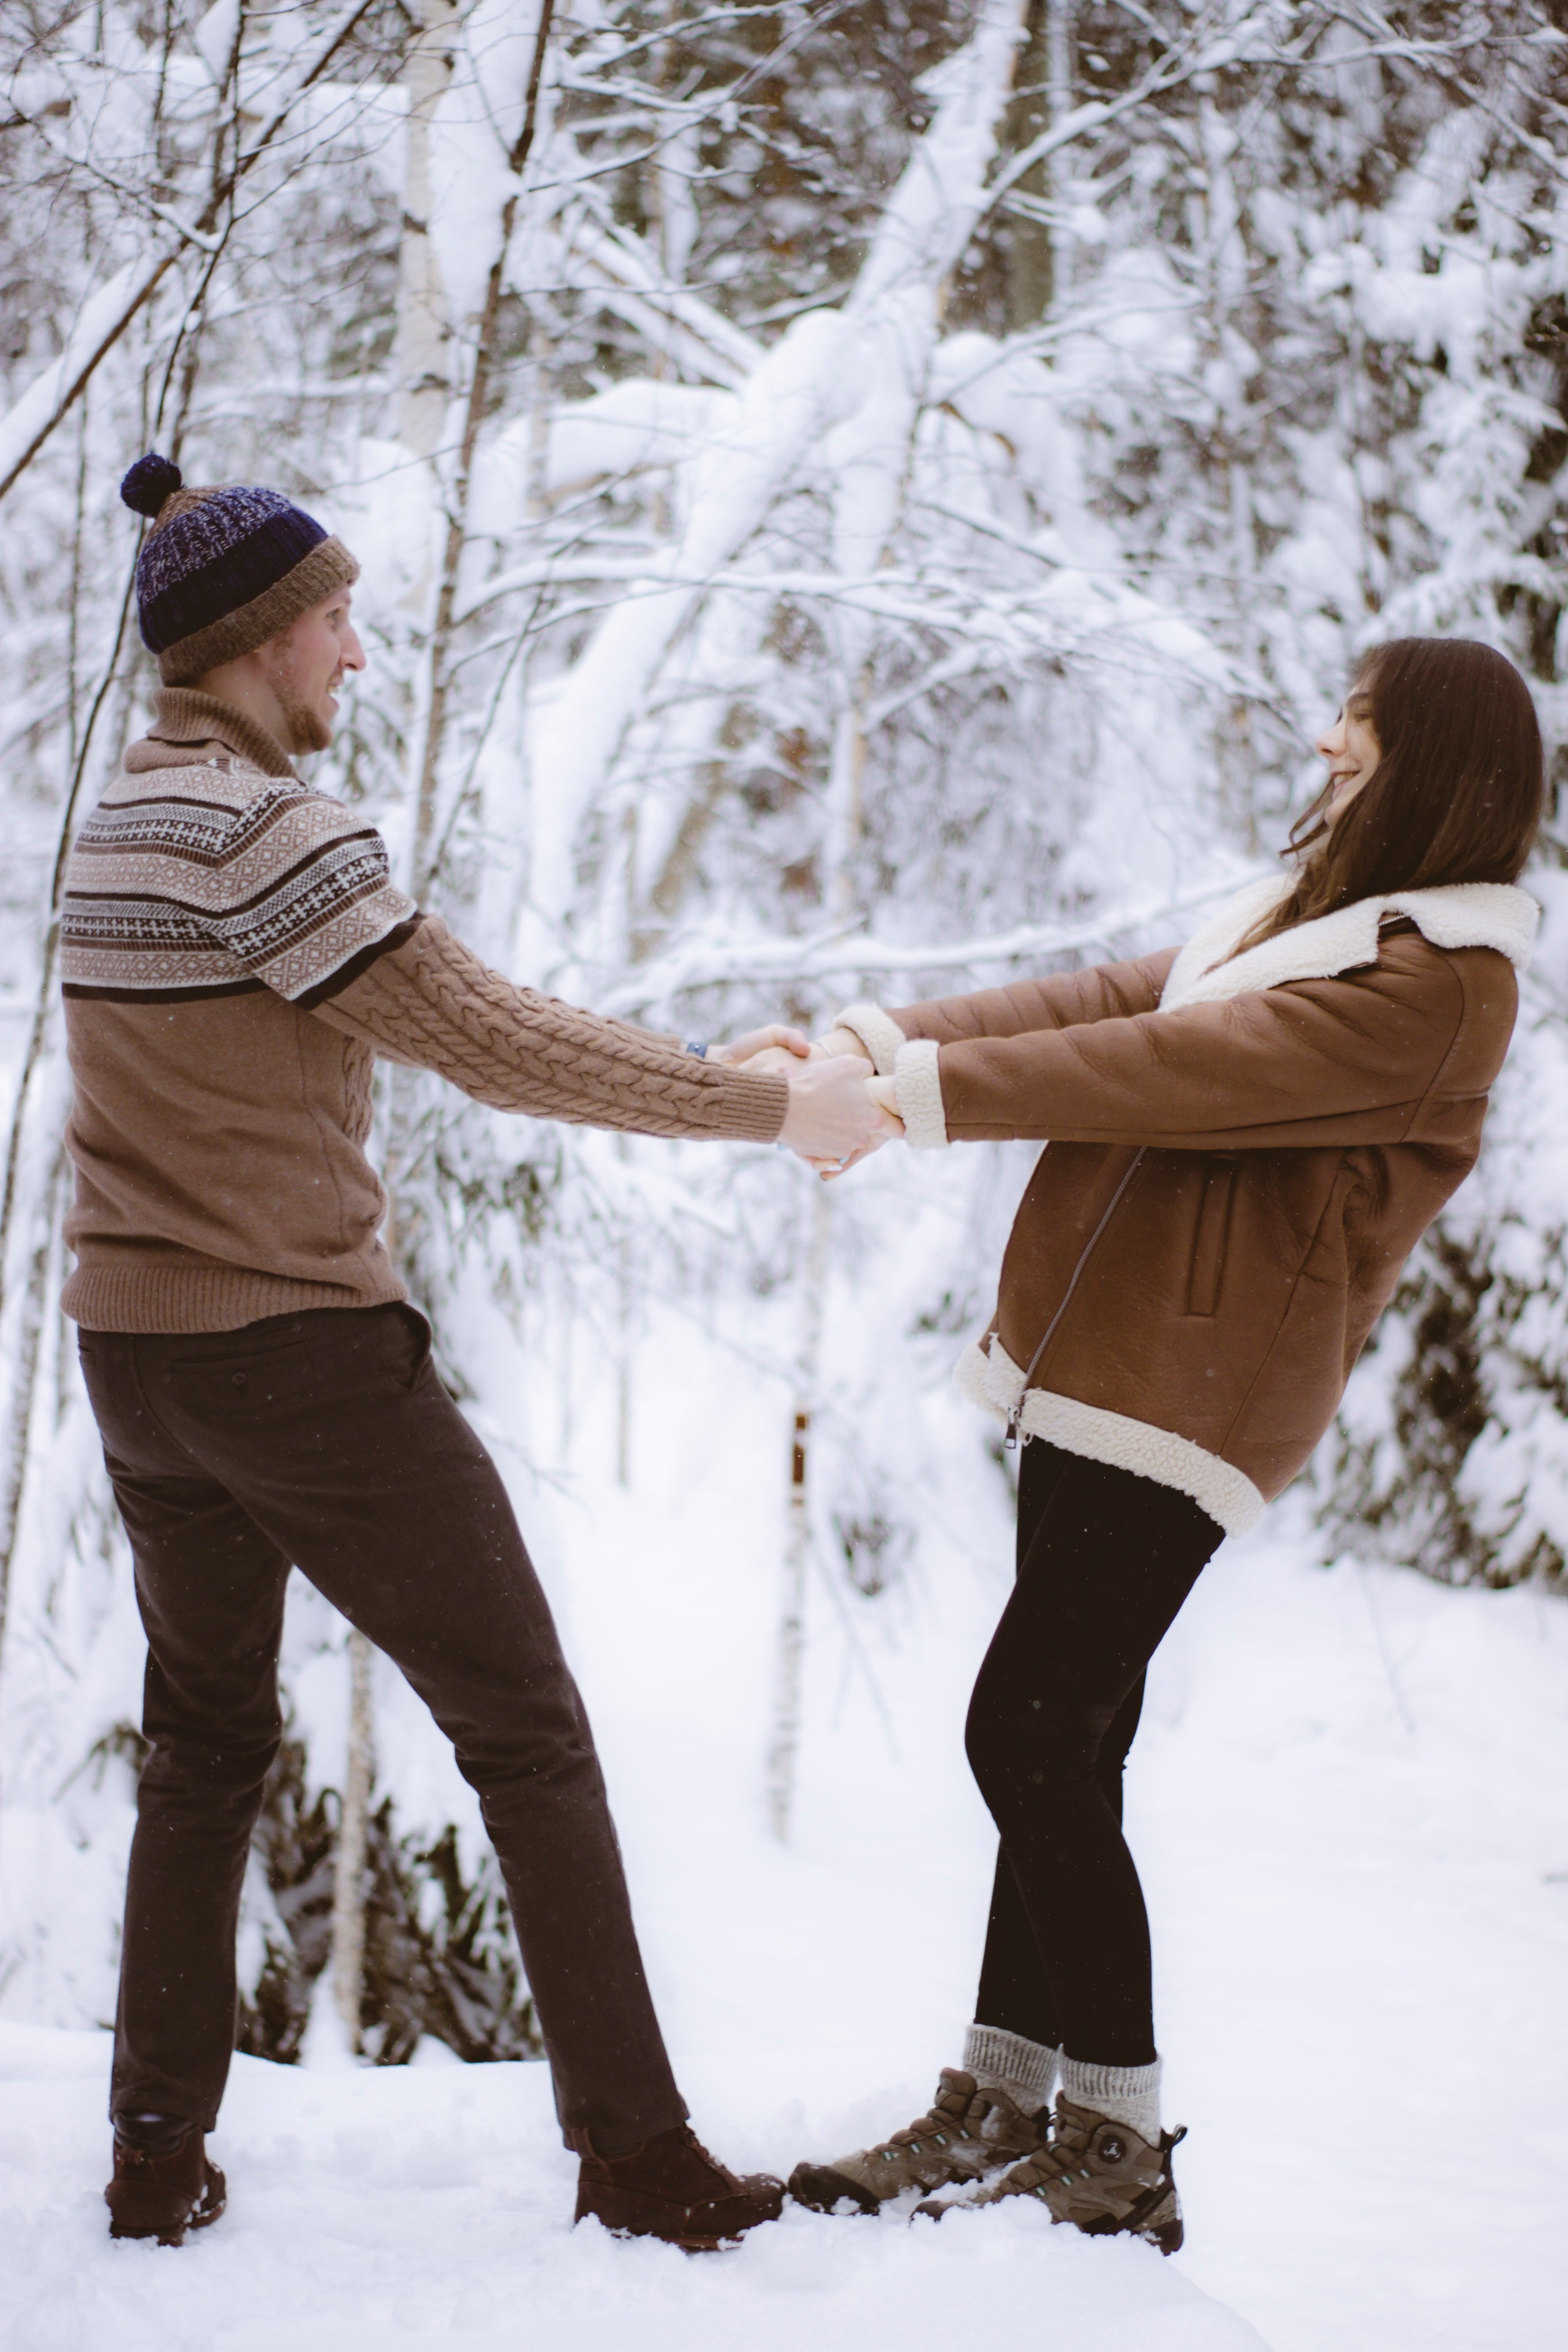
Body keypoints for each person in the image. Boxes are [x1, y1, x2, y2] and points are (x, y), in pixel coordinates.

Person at [71, 453, 891, 2249]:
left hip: (135, 1361)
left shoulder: (121, 819)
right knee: (528, 1732)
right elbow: (490, 1035)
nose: (357, 654)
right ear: (264, 641)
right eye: (337, 621)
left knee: (203, 1746)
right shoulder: (266, 834)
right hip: (295, 1357)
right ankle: (639, 2157)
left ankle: (152, 2159)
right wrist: (768, 1107)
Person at [779, 637, 1542, 2252]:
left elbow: (1171, 1069)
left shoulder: (1440, 993)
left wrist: (917, 1099)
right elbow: (1115, 995)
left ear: (1434, 765)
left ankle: (1116, 2145)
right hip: (1097, 1365)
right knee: (1067, 1745)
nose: (1330, 740)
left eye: (1364, 722)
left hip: (1194, 1396)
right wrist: (874, 1039)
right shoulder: (1316, 925)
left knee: (1028, 1732)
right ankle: (1004, 2099)